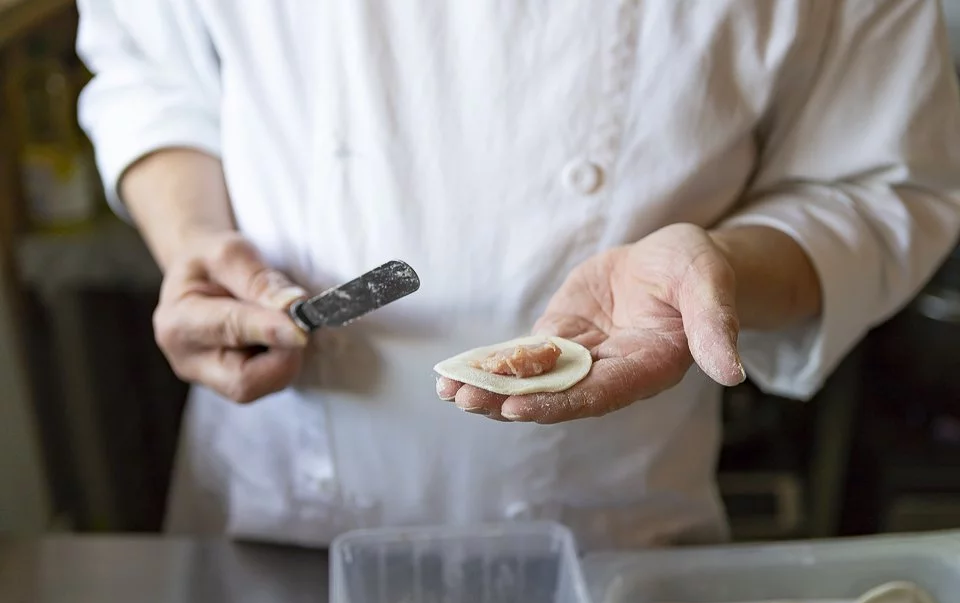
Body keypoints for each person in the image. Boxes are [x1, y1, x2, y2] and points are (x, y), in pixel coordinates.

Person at [76, 0, 960, 550]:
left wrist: (717, 270)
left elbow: (876, 187)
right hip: (277, 510)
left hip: (601, 532)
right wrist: (193, 239)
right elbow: (149, 71)